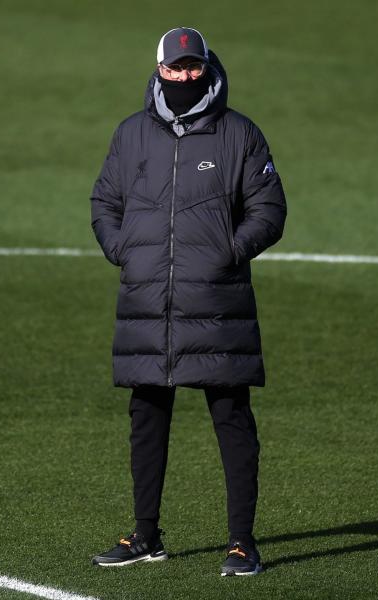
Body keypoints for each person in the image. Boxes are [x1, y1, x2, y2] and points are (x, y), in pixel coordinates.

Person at [88, 26, 286, 576]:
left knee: (231, 416)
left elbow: (269, 210)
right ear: (158, 69)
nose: (182, 77)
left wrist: (229, 251)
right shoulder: (131, 135)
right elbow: (104, 200)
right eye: (173, 69)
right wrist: (122, 249)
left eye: (191, 67)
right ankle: (145, 535)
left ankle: (243, 543)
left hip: (217, 301)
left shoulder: (239, 134)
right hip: (147, 299)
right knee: (147, 416)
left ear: (207, 67)